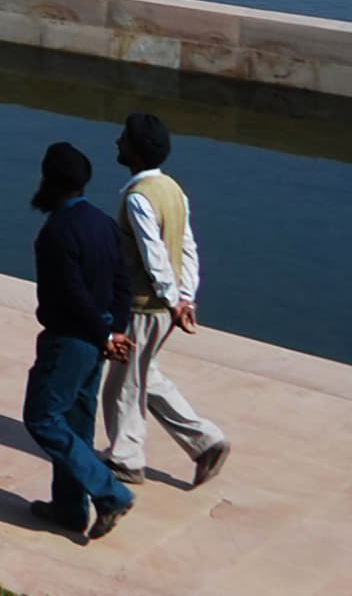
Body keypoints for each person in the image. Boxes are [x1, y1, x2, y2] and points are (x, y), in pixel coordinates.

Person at [106, 112, 233, 487]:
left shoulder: (138, 198)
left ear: (136, 151)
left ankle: (126, 459)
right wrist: (185, 297)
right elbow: (188, 246)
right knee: (146, 375)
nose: (117, 142)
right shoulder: (174, 190)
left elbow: (154, 254)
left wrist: (171, 296)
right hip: (164, 308)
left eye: (124, 138)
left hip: (142, 308)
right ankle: (205, 442)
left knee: (123, 386)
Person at [25, 139, 135, 542]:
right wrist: (113, 332)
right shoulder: (104, 224)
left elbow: (72, 294)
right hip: (98, 343)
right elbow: (123, 284)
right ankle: (70, 511)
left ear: (51, 182)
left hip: (69, 341)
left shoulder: (56, 232)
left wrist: (103, 333)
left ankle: (109, 494)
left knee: (42, 418)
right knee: (77, 426)